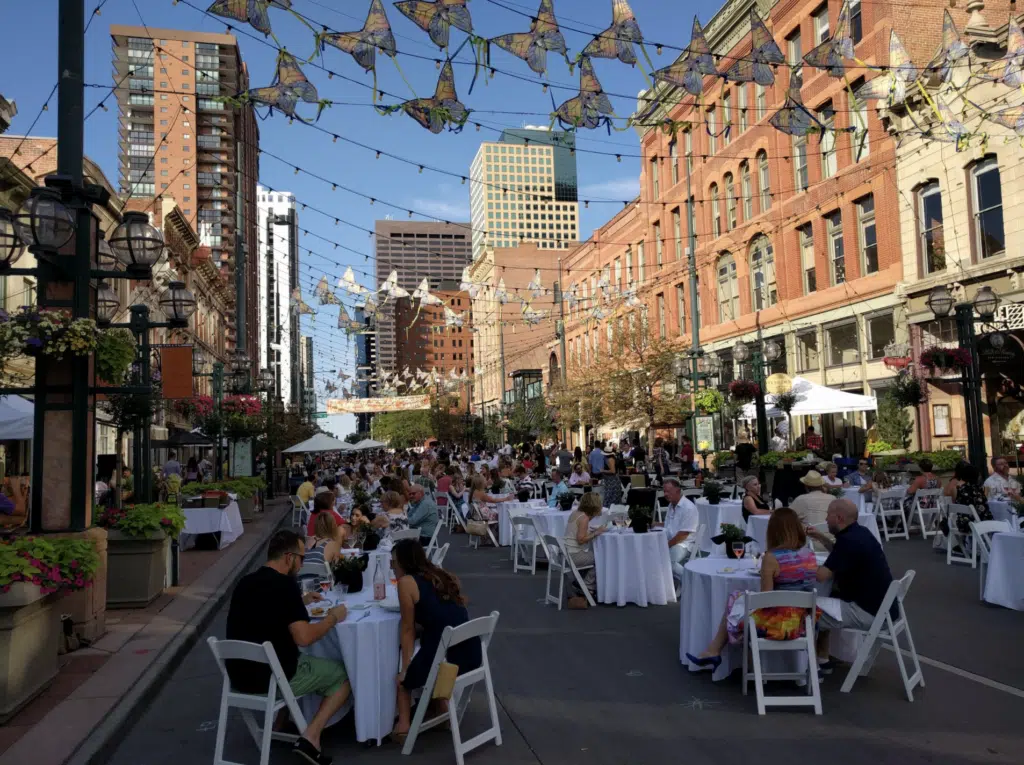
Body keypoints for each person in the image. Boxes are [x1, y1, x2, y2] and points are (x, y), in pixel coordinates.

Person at [225, 530, 350, 765]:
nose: (302, 564)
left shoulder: (245, 581)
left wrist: (299, 603)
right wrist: (333, 617)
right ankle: (311, 736)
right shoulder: (285, 585)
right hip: (270, 679)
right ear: (289, 557)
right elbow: (304, 638)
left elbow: (263, 612)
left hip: (239, 679)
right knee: (343, 675)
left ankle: (280, 723)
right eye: (302, 558)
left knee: (293, 657)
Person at [687, 508, 818, 670]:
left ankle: (719, 653)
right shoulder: (810, 555)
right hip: (805, 622)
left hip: (780, 625)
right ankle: (716, 651)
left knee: (735, 599)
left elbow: (765, 599)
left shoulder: (771, 558)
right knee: (739, 601)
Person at [390, 539, 481, 741]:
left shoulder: (406, 583)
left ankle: (403, 725)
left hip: (448, 659)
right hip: (470, 653)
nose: (392, 567)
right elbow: (443, 613)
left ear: (403, 562)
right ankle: (441, 709)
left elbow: (407, 629)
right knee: (431, 644)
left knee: (401, 669)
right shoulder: (440, 574)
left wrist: (405, 669)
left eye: (393, 562)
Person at [807, 499, 895, 670]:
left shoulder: (848, 541)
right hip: (883, 608)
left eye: (828, 515)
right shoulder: (860, 533)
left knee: (804, 609)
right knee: (827, 597)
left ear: (839, 518)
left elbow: (821, 576)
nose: (825, 519)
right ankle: (822, 659)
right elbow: (840, 554)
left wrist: (793, 563)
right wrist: (820, 536)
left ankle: (806, 667)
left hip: (867, 611)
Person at [563, 493, 607, 607]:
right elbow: (581, 540)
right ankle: (587, 587)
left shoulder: (575, 513)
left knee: (592, 557)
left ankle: (581, 584)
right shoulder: (584, 518)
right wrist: (596, 533)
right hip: (574, 555)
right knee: (600, 559)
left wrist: (591, 531)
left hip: (565, 554)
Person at [659, 478, 699, 581]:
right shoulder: (671, 505)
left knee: (667, 561)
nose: (665, 494)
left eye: (668, 491)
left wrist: (665, 545)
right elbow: (668, 525)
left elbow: (683, 535)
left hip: (685, 544)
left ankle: (690, 582)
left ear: (677, 491)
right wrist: (654, 525)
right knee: (652, 554)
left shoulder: (688, 507)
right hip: (673, 541)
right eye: (664, 491)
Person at [943, 461, 993, 537]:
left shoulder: (956, 489)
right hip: (980, 524)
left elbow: (955, 504)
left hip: (963, 523)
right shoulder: (979, 489)